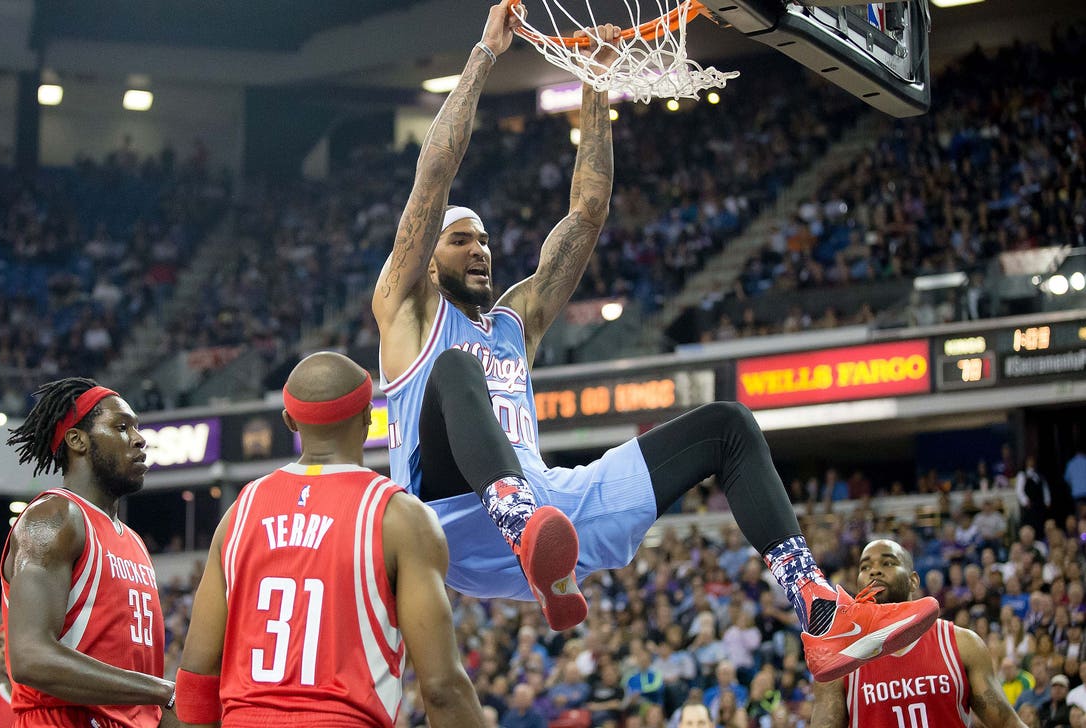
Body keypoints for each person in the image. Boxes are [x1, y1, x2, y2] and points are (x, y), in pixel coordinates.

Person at [372, 0, 938, 681]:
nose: (481, 250)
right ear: (427, 254)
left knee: (727, 426)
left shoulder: (516, 323)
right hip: (445, 520)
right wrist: (485, 55)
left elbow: (587, 212)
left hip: (553, 512)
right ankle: (526, 530)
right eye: (462, 240)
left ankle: (818, 610)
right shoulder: (406, 309)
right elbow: (433, 175)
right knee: (456, 372)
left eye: (487, 240)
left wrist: (594, 81)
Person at [174, 352, 483, 727]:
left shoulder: (239, 513)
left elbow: (196, 674)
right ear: (370, 415)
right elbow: (441, 689)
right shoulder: (400, 517)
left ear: (289, 420)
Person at [0, 377, 174, 727]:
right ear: (77, 440)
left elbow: (142, 699)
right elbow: (30, 658)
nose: (139, 439)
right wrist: (163, 691)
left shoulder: (134, 541)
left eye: (137, 428)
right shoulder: (54, 517)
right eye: (121, 427)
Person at [810, 539, 1028, 728]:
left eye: (888, 563)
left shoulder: (961, 643)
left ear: (913, 580)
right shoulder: (841, 660)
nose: (874, 571)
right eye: (865, 567)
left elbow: (1007, 723)